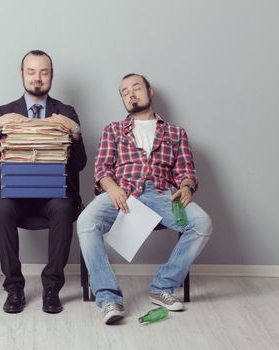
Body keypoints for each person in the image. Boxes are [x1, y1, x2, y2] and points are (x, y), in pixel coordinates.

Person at [77, 73, 213, 324]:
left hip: (163, 193)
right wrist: (112, 187)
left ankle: (163, 286)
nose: (130, 94)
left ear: (150, 92)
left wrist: (186, 187)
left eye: (136, 87)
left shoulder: (175, 132)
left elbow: (186, 171)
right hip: (123, 192)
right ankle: (108, 298)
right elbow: (102, 169)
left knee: (202, 223)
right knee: (86, 221)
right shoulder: (114, 130)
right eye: (124, 91)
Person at [0, 50, 87, 314]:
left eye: (44, 72)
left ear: (52, 75)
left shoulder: (66, 111)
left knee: (64, 207)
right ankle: (14, 288)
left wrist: (74, 131)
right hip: (13, 194)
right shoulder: (4, 111)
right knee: (2, 208)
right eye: (31, 72)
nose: (37, 79)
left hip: (53, 193)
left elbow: (80, 165)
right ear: (22, 74)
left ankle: (51, 288)